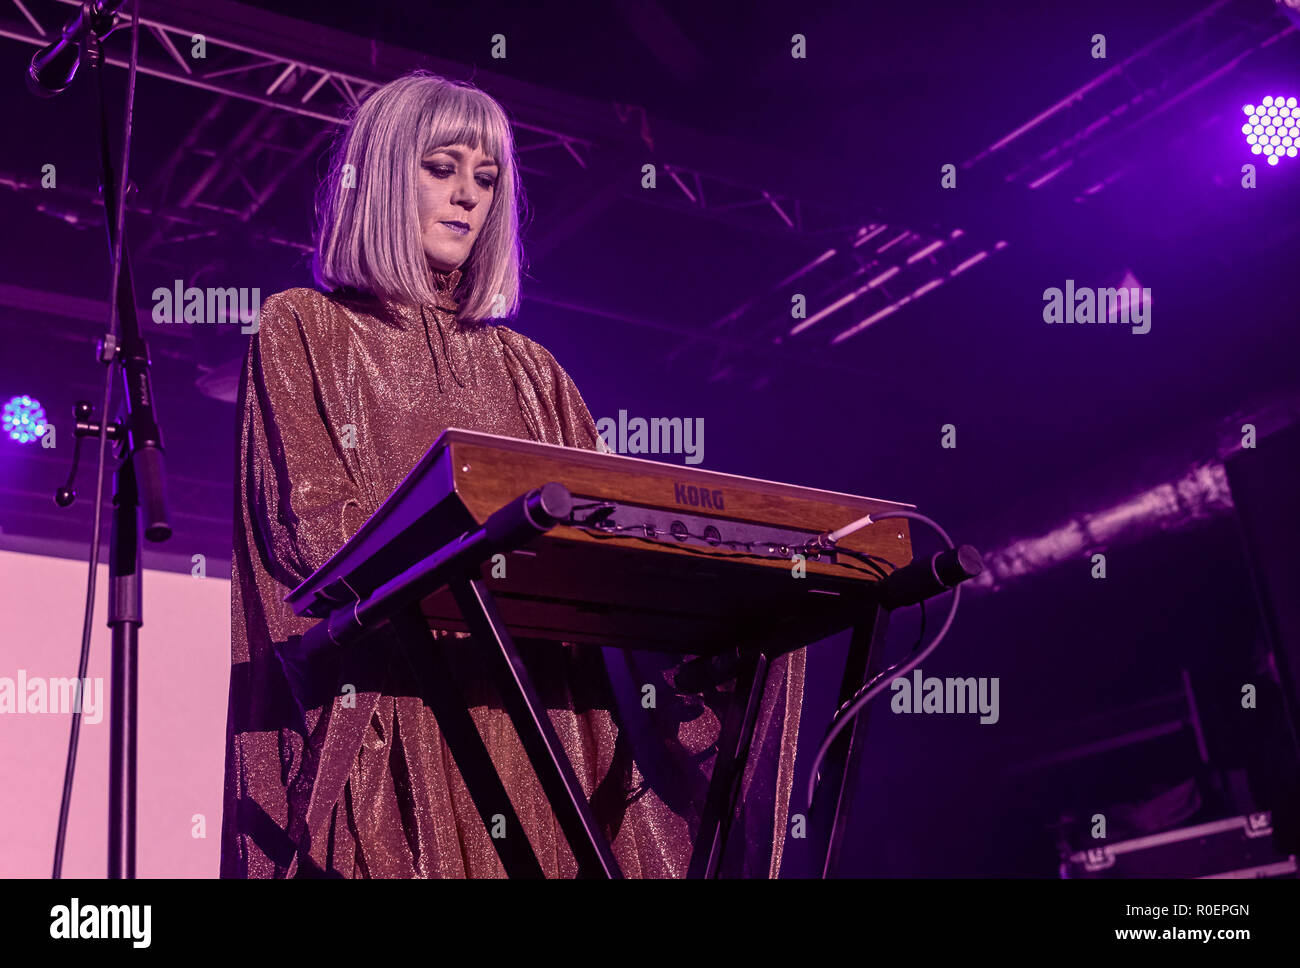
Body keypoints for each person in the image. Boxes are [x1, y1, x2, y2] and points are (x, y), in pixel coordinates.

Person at [220, 70, 806, 878]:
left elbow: (611, 550)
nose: (467, 195)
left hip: (544, 725)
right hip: (399, 705)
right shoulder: (302, 327)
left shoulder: (536, 372)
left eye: (486, 178)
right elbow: (310, 533)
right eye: (441, 168)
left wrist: (717, 630)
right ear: (385, 174)